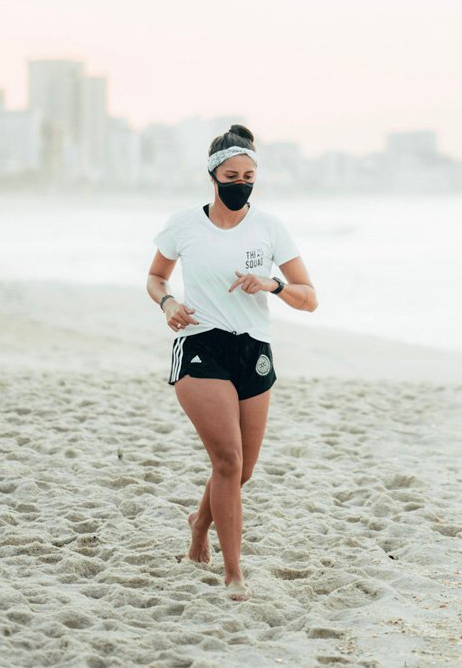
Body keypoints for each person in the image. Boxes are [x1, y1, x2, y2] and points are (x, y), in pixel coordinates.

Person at [145, 124, 318, 600]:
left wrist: (273, 286)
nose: (241, 182)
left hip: (253, 351)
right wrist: (167, 305)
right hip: (202, 344)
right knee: (227, 460)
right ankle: (234, 573)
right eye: (231, 173)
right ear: (213, 175)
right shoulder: (184, 225)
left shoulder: (270, 228)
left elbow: (310, 299)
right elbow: (156, 278)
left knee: (242, 471)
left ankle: (199, 524)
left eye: (248, 174)